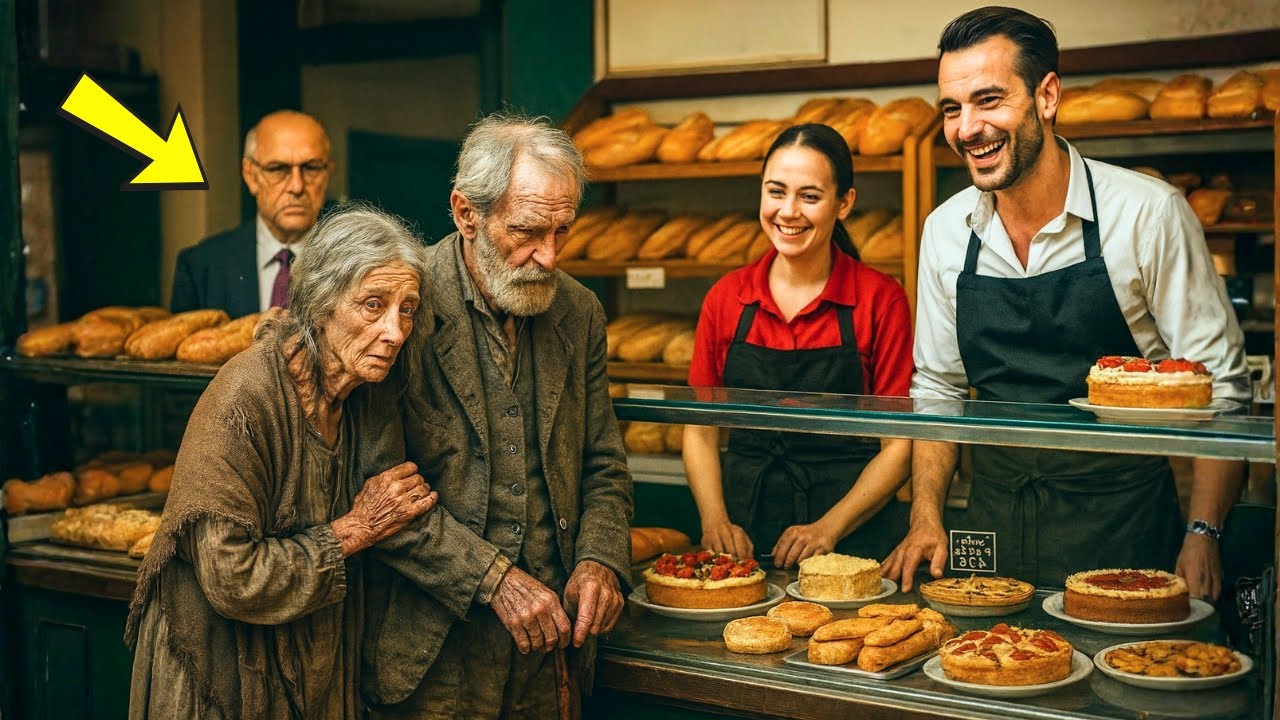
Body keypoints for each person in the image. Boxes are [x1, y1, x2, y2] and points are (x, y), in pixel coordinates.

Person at [882, 6, 1249, 601]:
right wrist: (927, 515)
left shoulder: (1147, 214)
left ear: (1047, 96)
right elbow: (938, 390)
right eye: (953, 109)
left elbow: (1221, 393)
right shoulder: (945, 231)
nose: (967, 128)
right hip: (993, 516)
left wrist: (1203, 532)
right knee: (994, 670)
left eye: (989, 100)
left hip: (1122, 518)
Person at [358, 113, 633, 719]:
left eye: (564, 231)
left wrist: (600, 561)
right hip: (430, 655)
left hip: (550, 650)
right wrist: (496, 580)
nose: (550, 257)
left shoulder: (579, 312)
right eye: (529, 232)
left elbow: (604, 465)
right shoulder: (402, 307)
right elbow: (375, 500)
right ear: (466, 214)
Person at [126, 205, 438, 719]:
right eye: (373, 305)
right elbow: (231, 574)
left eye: (407, 309)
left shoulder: (362, 395)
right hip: (218, 671)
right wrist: (355, 530)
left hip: (304, 652)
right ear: (319, 305)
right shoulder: (246, 395)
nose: (395, 331)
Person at [682, 123, 914, 568]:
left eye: (809, 196)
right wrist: (714, 521)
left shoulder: (880, 299)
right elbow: (700, 428)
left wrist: (828, 528)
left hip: (854, 540)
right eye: (776, 191)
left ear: (844, 203)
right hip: (742, 532)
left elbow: (899, 445)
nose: (788, 211)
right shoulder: (727, 297)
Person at [171, 110, 333, 317]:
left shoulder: (360, 265)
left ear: (327, 175)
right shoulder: (200, 266)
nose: (296, 186)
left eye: (311, 168)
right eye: (277, 169)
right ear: (250, 176)